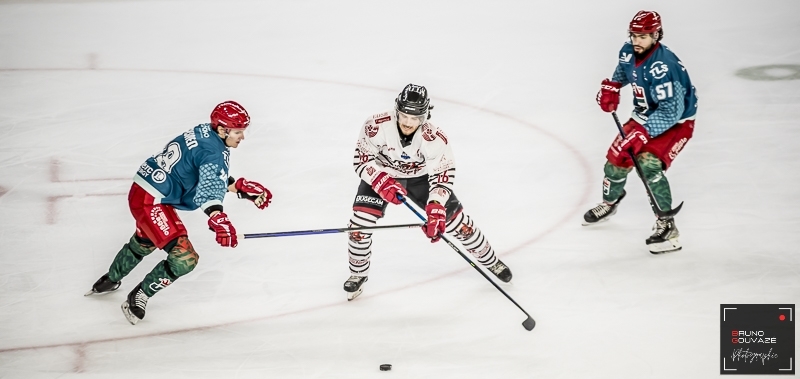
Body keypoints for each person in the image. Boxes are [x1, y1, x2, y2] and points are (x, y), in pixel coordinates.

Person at [85, 101, 273, 325]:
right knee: (184, 259)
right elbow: (208, 189)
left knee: (145, 240)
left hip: (147, 191)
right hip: (151, 201)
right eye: (238, 131)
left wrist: (238, 188)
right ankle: (139, 295)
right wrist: (217, 218)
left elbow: (203, 172)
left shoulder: (204, 132)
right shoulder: (214, 152)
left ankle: (109, 280)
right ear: (222, 130)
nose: (242, 137)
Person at [344, 83, 512, 300]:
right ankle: (357, 274)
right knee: (360, 224)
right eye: (404, 116)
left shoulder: (434, 137)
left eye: (415, 119)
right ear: (397, 110)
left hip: (420, 178)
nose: (408, 122)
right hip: (381, 175)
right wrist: (380, 180)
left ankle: (491, 261)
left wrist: (435, 206)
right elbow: (361, 160)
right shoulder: (375, 125)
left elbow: (443, 175)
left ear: (424, 117)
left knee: (456, 223)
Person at [584, 10, 697, 254]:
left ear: (657, 35)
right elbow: (625, 72)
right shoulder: (628, 51)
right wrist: (612, 87)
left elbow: (672, 111)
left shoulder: (664, 67)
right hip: (643, 116)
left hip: (676, 124)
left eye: (643, 36)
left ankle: (667, 226)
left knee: (648, 165)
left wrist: (643, 134)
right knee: (615, 162)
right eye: (634, 35)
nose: (637, 41)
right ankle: (609, 203)